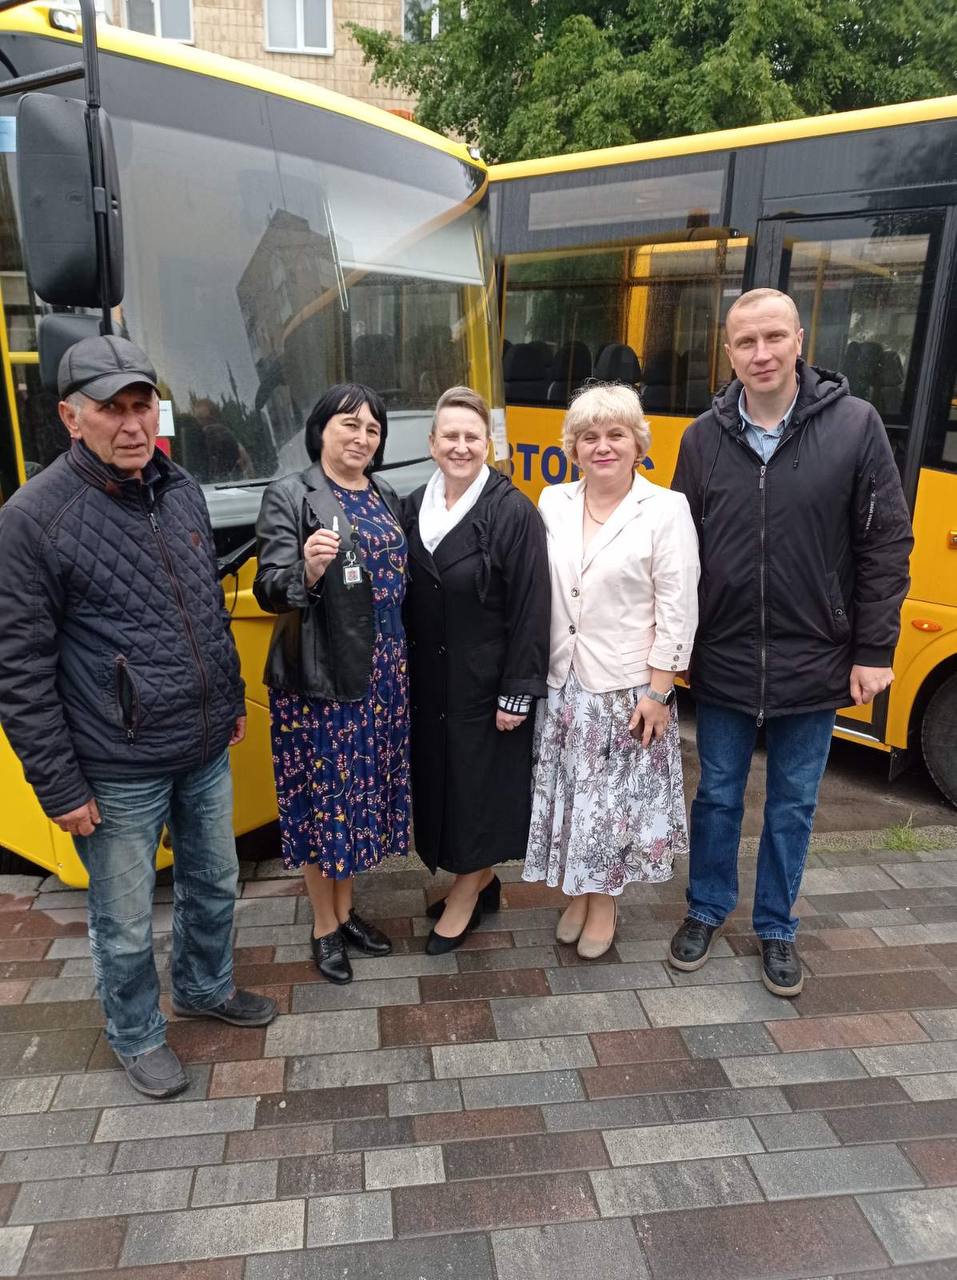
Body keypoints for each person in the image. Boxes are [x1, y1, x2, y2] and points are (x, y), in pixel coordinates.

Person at [0, 335, 276, 1100]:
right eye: (111, 409)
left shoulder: (178, 487)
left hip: (201, 744)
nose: (131, 424)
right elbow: (19, 671)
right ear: (70, 418)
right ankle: (136, 1033)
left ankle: (204, 987)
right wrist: (59, 786)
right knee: (122, 920)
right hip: (115, 764)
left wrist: (227, 699)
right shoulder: (31, 520)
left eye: (142, 405)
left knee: (214, 882)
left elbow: (203, 608)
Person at [669, 288, 913, 996]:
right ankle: (706, 907)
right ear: (728, 353)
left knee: (792, 804)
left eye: (773, 337)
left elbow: (885, 543)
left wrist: (873, 649)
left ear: (800, 340)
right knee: (716, 795)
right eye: (745, 342)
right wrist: (674, 647)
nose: (761, 353)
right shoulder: (701, 438)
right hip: (723, 653)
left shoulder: (855, 425)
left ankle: (776, 925)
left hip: (817, 654)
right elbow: (678, 550)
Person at [524, 382, 699, 958]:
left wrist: (659, 692)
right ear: (573, 447)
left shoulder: (665, 509)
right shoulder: (553, 501)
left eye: (616, 435)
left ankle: (604, 903)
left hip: (627, 690)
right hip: (564, 682)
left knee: (611, 806)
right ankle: (579, 892)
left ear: (638, 444)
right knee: (574, 797)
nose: (602, 446)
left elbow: (678, 608)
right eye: (589, 436)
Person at [253, 383, 409, 985]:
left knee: (356, 800)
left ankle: (345, 913)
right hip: (321, 681)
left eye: (372, 428)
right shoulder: (291, 494)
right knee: (325, 804)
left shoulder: (385, 493)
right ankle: (324, 926)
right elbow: (269, 588)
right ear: (320, 429)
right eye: (349, 424)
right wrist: (308, 570)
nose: (361, 437)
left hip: (382, 673)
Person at [403, 386, 550, 953]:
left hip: (486, 685)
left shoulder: (513, 511)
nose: (460, 446)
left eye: (472, 437)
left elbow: (532, 608)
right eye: (450, 436)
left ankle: (467, 893)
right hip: (429, 682)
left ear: (488, 444)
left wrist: (517, 692)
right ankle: (479, 880)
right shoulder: (412, 505)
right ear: (432, 443)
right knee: (444, 788)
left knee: (479, 794)